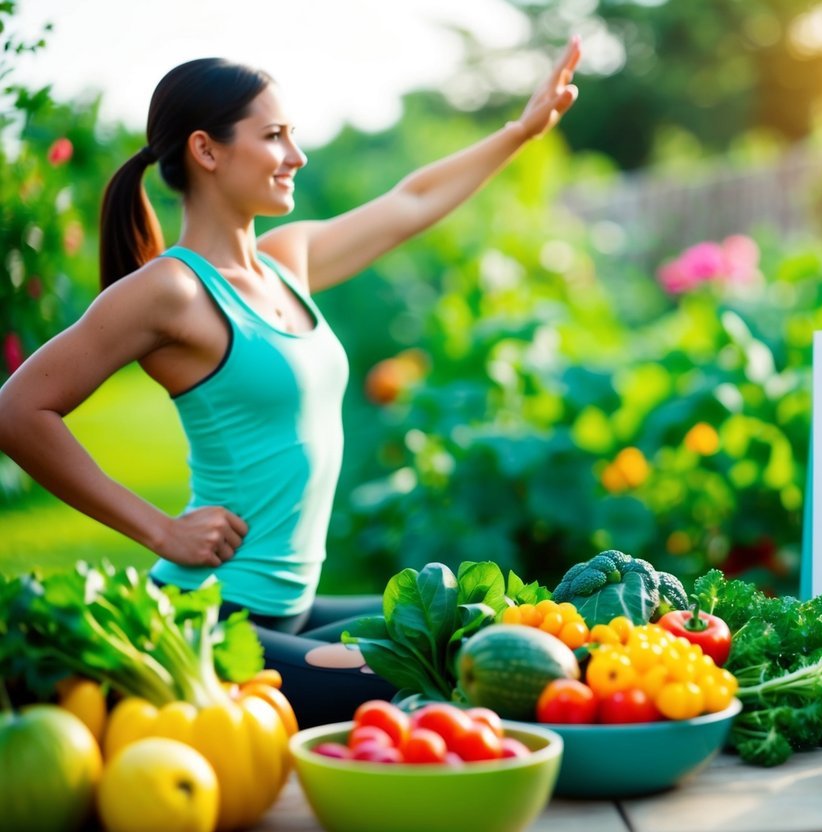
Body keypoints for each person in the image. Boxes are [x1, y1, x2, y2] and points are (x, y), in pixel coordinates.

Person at [0, 38, 581, 727]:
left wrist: (519, 132)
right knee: (444, 680)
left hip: (294, 611)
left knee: (488, 628)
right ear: (206, 151)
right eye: (274, 136)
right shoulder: (172, 290)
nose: (296, 157)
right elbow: (18, 409)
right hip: (217, 622)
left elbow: (412, 199)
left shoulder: (286, 260)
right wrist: (161, 531)